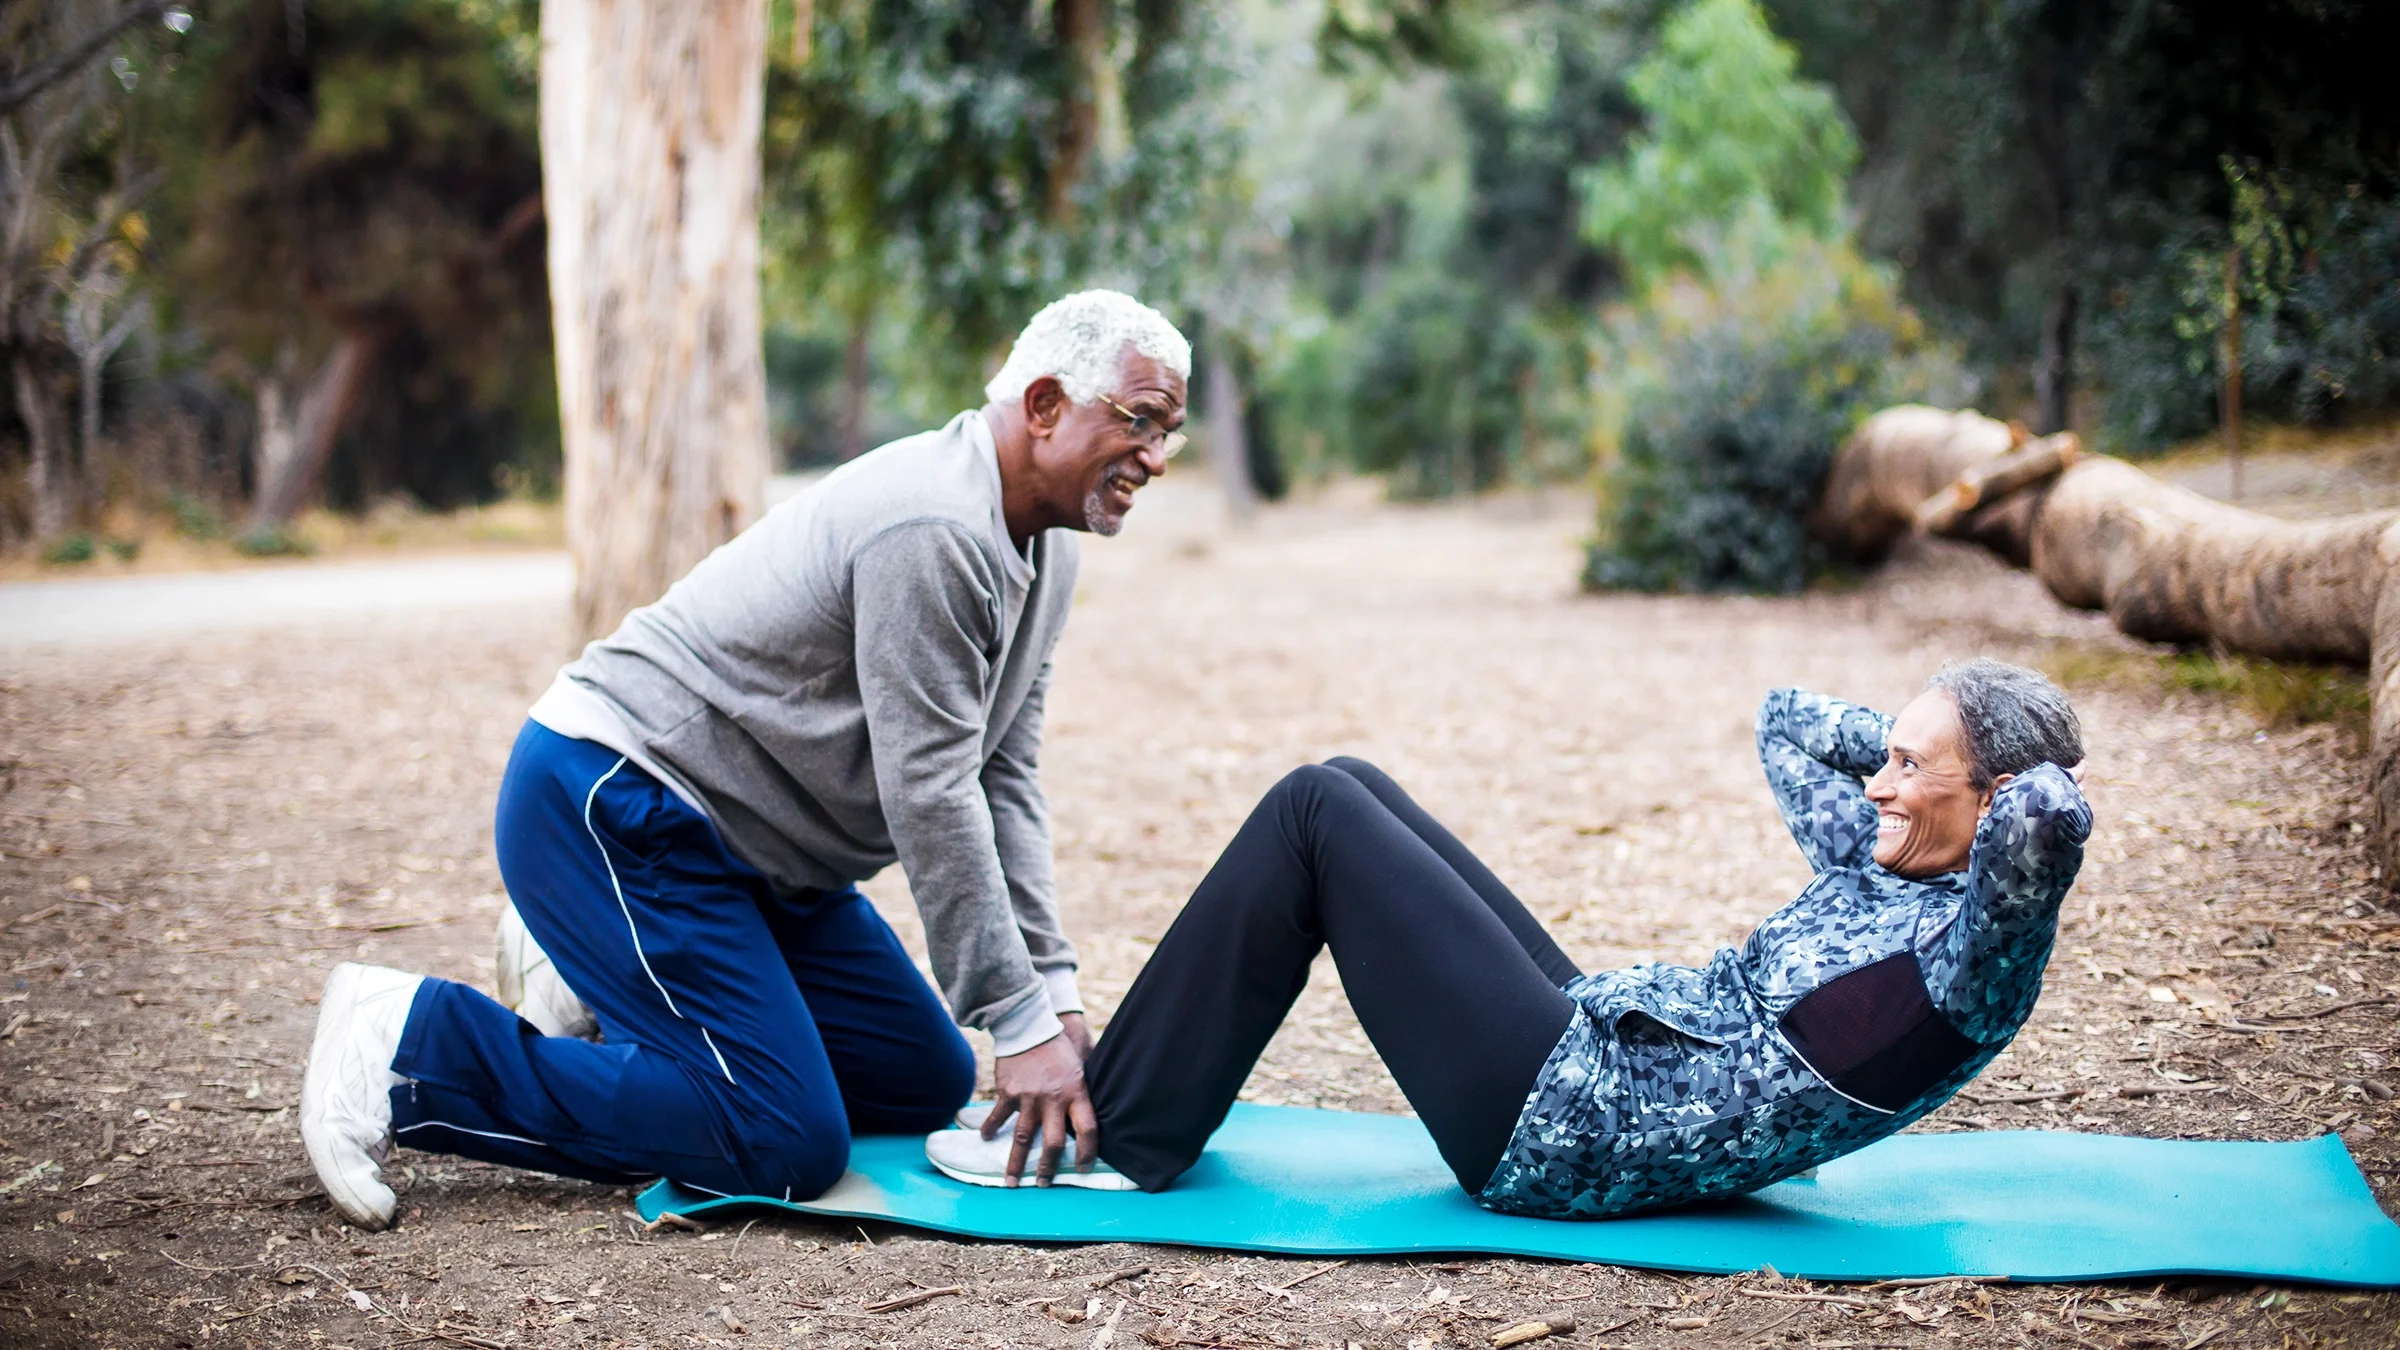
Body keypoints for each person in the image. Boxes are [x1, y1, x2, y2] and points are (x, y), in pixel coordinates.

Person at [299, 290, 1192, 1230]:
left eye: (1170, 431)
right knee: (780, 1137)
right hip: (616, 806)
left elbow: (1002, 775)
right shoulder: (932, 526)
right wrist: (1016, 1023)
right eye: (1140, 422)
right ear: (1045, 404)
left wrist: (1049, 994)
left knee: (919, 1078)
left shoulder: (1045, 553)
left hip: (759, 863)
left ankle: (587, 976)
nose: (1158, 458)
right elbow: (931, 790)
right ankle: (406, 1046)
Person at [927, 660, 2094, 1218]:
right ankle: (1134, 1113)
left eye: (1910, 768)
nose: (1880, 783)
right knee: (1349, 782)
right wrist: (1916, 747)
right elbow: (1785, 719)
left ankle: (1118, 1132)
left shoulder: (1972, 963)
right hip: (1608, 1049)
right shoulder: (1890, 853)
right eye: (1884, 760)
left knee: (1309, 815)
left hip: (1575, 1137)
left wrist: (2002, 772)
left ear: (1992, 803)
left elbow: (2050, 817)